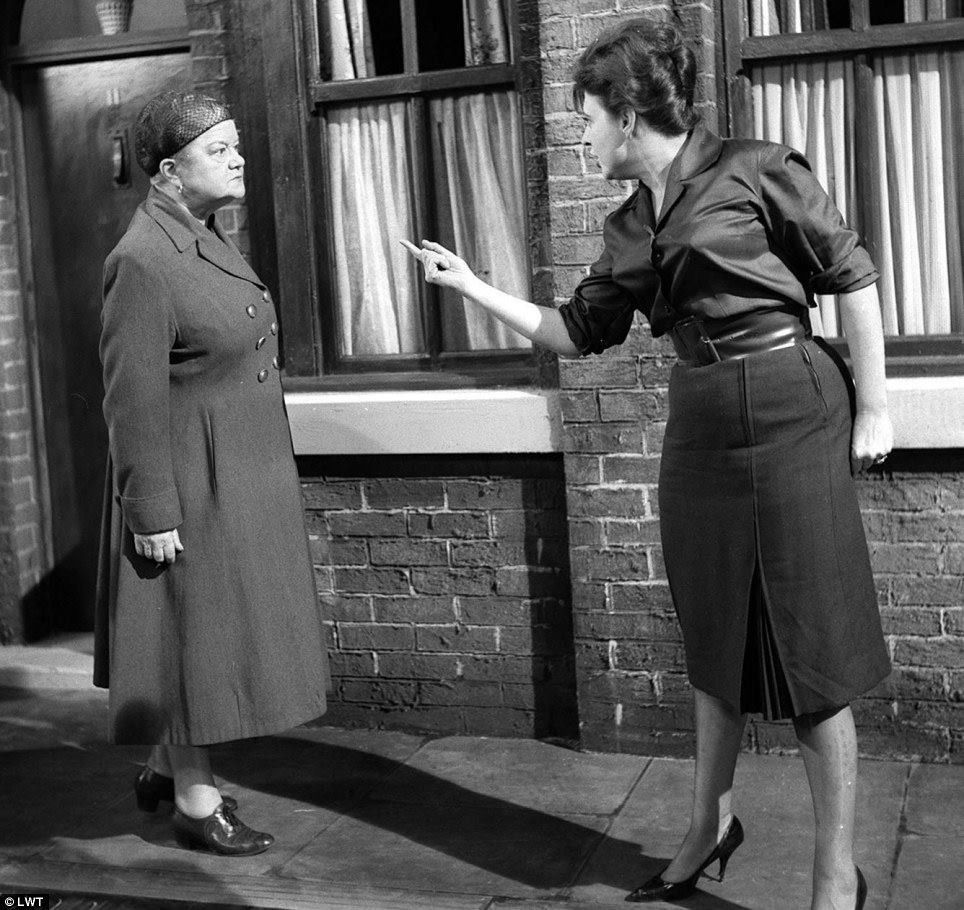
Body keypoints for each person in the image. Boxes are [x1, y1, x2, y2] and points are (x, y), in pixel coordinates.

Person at [402, 18, 891, 910]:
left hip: (791, 401)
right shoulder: (630, 225)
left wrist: (878, 408)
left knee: (811, 649)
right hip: (700, 417)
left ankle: (835, 875)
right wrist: (470, 285)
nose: (582, 136)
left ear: (627, 117)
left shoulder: (754, 168)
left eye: (587, 118)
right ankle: (708, 828)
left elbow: (850, 274)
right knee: (713, 635)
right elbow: (574, 330)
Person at [94, 91, 329, 856]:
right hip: (186, 481)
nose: (239, 159)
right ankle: (196, 805)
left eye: (236, 145)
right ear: (169, 170)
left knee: (213, 636)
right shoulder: (142, 260)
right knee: (191, 643)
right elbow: (130, 400)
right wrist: (151, 509)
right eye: (218, 150)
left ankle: (165, 769)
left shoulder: (200, 234)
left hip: (234, 472)